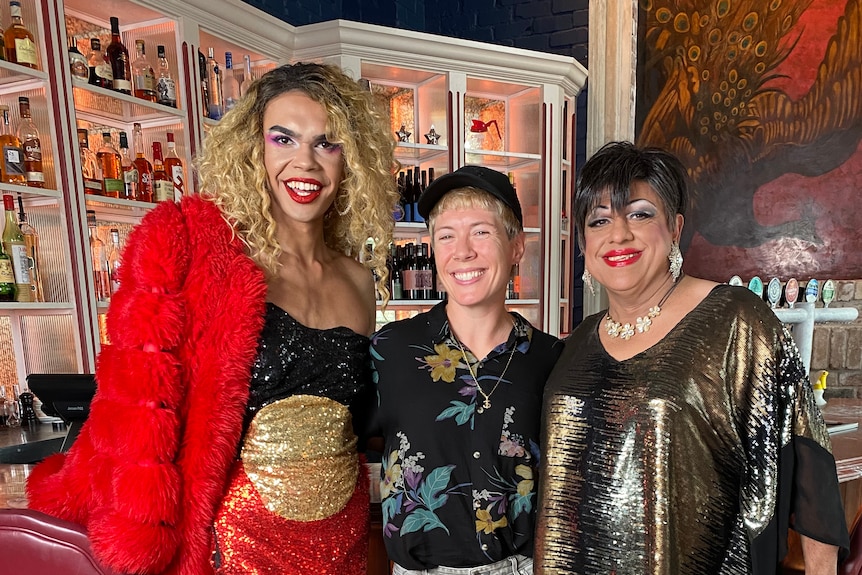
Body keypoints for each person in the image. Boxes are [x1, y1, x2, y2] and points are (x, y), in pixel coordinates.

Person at [26, 62, 398, 575]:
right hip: (233, 544)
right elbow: (132, 406)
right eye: (283, 139)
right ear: (254, 148)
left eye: (326, 143)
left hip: (342, 539)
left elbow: (358, 424)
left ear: (351, 161)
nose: (304, 163)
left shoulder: (359, 281)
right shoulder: (190, 250)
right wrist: (139, 533)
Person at [534, 141, 849, 574]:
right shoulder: (578, 343)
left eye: (640, 214)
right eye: (599, 220)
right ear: (583, 242)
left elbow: (808, 459)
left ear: (675, 227)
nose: (618, 234)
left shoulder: (737, 320)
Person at [369, 165, 564, 575]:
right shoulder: (391, 351)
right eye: (446, 236)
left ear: (516, 246)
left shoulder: (553, 359)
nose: (462, 251)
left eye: (481, 231)